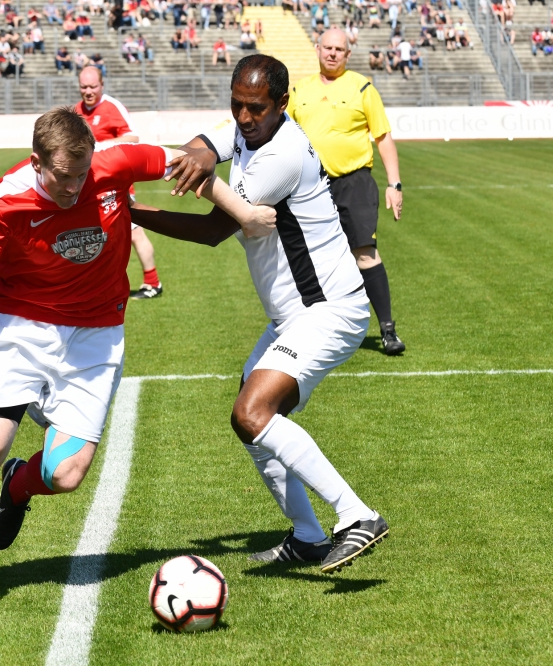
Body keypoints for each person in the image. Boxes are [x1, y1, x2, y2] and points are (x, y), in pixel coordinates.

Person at [0, 106, 271, 602]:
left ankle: (19, 487)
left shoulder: (111, 164)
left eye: (82, 175)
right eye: (63, 177)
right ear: (37, 162)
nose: (75, 188)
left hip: (97, 334)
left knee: (65, 474)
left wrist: (242, 213)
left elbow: (189, 162)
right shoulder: (2, 203)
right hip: (18, 329)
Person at [138, 54, 391, 573]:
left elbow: (213, 229)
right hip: (293, 316)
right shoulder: (245, 128)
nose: (245, 116)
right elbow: (199, 150)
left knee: (252, 412)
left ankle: (357, 515)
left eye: (256, 108)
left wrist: (127, 213)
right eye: (236, 105)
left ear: (281, 104)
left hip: (331, 311)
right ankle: (307, 535)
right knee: (250, 421)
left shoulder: (285, 153)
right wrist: (193, 156)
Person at [286, 28, 406, 354]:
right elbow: (284, 138)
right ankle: (313, 329)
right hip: (311, 185)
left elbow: (382, 137)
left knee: (364, 252)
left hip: (355, 181)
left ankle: (387, 330)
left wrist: (394, 184)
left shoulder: (363, 87)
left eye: (340, 49)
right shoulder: (299, 91)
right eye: (328, 47)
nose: (333, 53)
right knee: (310, 257)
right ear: (317, 49)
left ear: (348, 54)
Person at [75, 66, 165, 299]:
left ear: (102, 85)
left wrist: (100, 147)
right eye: (84, 87)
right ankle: (92, 286)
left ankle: (153, 283)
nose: (88, 91)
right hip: (88, 187)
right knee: (93, 236)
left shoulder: (112, 107)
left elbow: (133, 138)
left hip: (116, 185)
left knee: (134, 233)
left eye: (93, 86)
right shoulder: (76, 111)